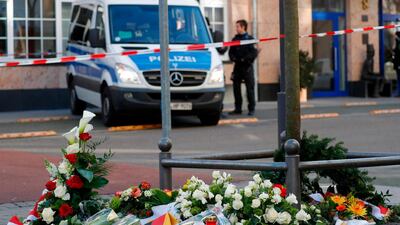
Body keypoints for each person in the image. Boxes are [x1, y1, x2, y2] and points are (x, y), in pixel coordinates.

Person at [228, 19, 258, 116]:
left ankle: (251, 108)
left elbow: (254, 53)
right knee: (236, 88)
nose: (236, 28)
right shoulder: (235, 39)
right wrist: (234, 58)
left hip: (247, 67)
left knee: (250, 89)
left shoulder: (250, 39)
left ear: (243, 27)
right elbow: (230, 52)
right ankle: (238, 108)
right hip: (237, 67)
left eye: (238, 26)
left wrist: (245, 59)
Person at [393, 31, 400, 97]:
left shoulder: (398, 43)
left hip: (398, 65)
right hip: (397, 64)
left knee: (399, 79)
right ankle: (397, 92)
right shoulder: (397, 43)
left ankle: (398, 92)